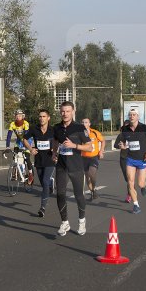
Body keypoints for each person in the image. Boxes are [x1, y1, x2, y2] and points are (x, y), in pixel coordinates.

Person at [49, 101, 93, 236]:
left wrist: (75, 146)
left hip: (76, 167)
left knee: (79, 194)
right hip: (62, 166)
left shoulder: (79, 128)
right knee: (60, 193)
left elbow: (89, 147)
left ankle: (81, 221)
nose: (65, 114)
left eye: (68, 111)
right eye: (62, 111)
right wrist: (54, 153)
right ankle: (64, 222)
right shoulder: (56, 127)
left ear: (73, 112)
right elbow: (56, 141)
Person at [118, 109, 146, 214]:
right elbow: (124, 143)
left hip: (142, 159)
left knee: (140, 183)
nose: (131, 116)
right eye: (130, 115)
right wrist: (123, 146)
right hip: (130, 159)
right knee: (130, 182)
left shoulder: (144, 128)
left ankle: (144, 186)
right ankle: (136, 205)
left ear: (138, 116)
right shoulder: (124, 129)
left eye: (134, 115)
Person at [22, 109, 57, 218]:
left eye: (44, 116)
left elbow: (58, 141)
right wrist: (30, 149)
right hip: (39, 160)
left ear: (48, 118)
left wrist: (55, 151)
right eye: (40, 116)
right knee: (43, 183)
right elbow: (24, 139)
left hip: (50, 160)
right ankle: (50, 184)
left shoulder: (53, 130)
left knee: (45, 181)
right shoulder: (34, 129)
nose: (42, 118)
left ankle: (42, 208)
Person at [5, 109, 34, 185]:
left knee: (27, 157)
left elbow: (27, 135)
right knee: (15, 156)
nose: (18, 117)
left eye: (20, 116)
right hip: (18, 141)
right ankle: (15, 172)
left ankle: (30, 174)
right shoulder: (12, 124)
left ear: (23, 116)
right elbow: (9, 136)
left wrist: (26, 147)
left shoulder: (25, 123)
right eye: (17, 115)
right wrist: (7, 146)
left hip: (27, 141)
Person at [81, 118, 105, 201]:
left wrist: (101, 151)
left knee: (92, 173)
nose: (84, 124)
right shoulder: (80, 134)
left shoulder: (95, 132)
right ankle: (93, 191)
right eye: (83, 122)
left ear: (89, 124)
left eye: (86, 122)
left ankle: (94, 187)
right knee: (87, 177)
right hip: (83, 157)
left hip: (94, 156)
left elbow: (103, 141)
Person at [113, 120, 132, 203]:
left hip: (133, 158)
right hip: (123, 158)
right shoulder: (121, 135)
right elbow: (115, 145)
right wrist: (119, 146)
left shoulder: (135, 135)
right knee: (127, 179)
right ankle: (131, 192)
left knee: (130, 178)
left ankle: (129, 195)